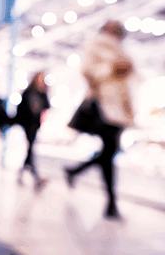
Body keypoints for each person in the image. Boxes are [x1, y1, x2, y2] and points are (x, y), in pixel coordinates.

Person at [65, 20, 134, 220]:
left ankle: (75, 171)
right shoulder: (96, 46)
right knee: (109, 152)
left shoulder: (122, 51)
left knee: (109, 152)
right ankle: (111, 202)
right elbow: (88, 71)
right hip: (104, 105)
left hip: (119, 107)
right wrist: (112, 69)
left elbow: (130, 76)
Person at [14, 71, 50, 191]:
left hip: (35, 124)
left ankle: (22, 176)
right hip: (27, 124)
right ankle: (36, 178)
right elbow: (21, 110)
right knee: (30, 149)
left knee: (30, 150)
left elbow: (46, 106)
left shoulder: (42, 93)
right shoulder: (28, 92)